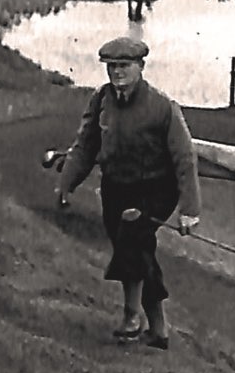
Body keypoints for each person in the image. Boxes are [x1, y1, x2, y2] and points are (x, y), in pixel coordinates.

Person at [56, 36, 201, 350]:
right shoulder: (101, 102)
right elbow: (85, 146)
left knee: (132, 236)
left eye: (124, 66)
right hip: (115, 187)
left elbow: (184, 158)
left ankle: (131, 318)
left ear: (141, 67)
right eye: (112, 67)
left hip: (155, 189)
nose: (117, 73)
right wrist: (66, 184)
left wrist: (189, 209)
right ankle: (159, 330)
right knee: (136, 251)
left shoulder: (162, 107)